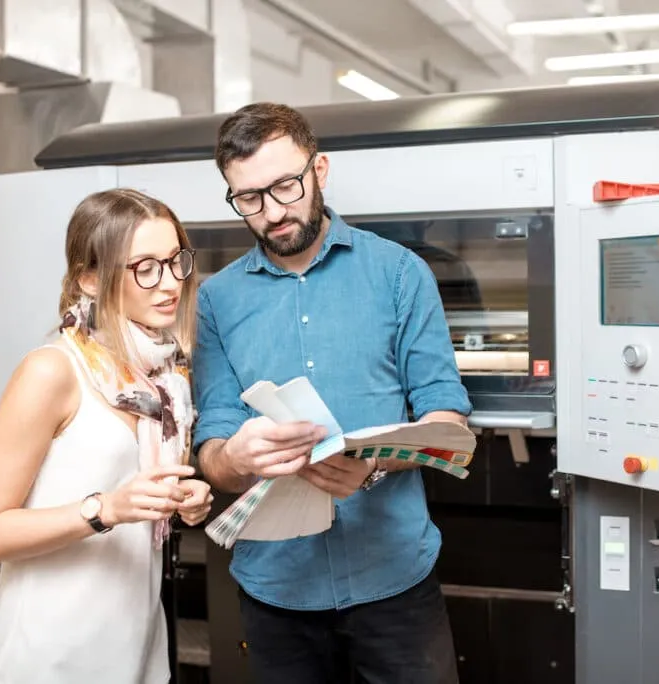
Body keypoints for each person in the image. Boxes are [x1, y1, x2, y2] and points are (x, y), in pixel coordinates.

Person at [193, 102, 472, 684]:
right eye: (249, 198)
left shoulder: (399, 273)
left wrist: (374, 463)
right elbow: (212, 451)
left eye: (285, 186)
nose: (273, 212)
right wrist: (234, 458)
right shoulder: (216, 301)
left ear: (319, 170)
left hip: (394, 582)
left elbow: (447, 423)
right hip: (277, 591)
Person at [0, 188, 214, 683]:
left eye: (175, 261)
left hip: (138, 656)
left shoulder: (164, 381)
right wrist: (106, 509)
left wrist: (185, 500)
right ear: (91, 279)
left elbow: (139, 504)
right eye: (145, 268)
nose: (170, 283)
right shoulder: (52, 371)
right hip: (49, 663)